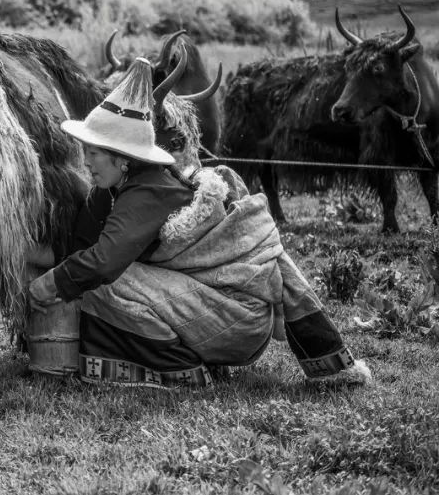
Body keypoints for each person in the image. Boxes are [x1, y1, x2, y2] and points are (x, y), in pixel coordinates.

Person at [26, 58, 371, 389]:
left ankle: (181, 370)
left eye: (94, 153)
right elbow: (81, 246)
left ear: (122, 157)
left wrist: (51, 283)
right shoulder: (113, 189)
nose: (86, 162)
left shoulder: (148, 191)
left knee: (106, 283)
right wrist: (29, 253)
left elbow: (102, 261)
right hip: (210, 307)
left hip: (238, 318)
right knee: (93, 276)